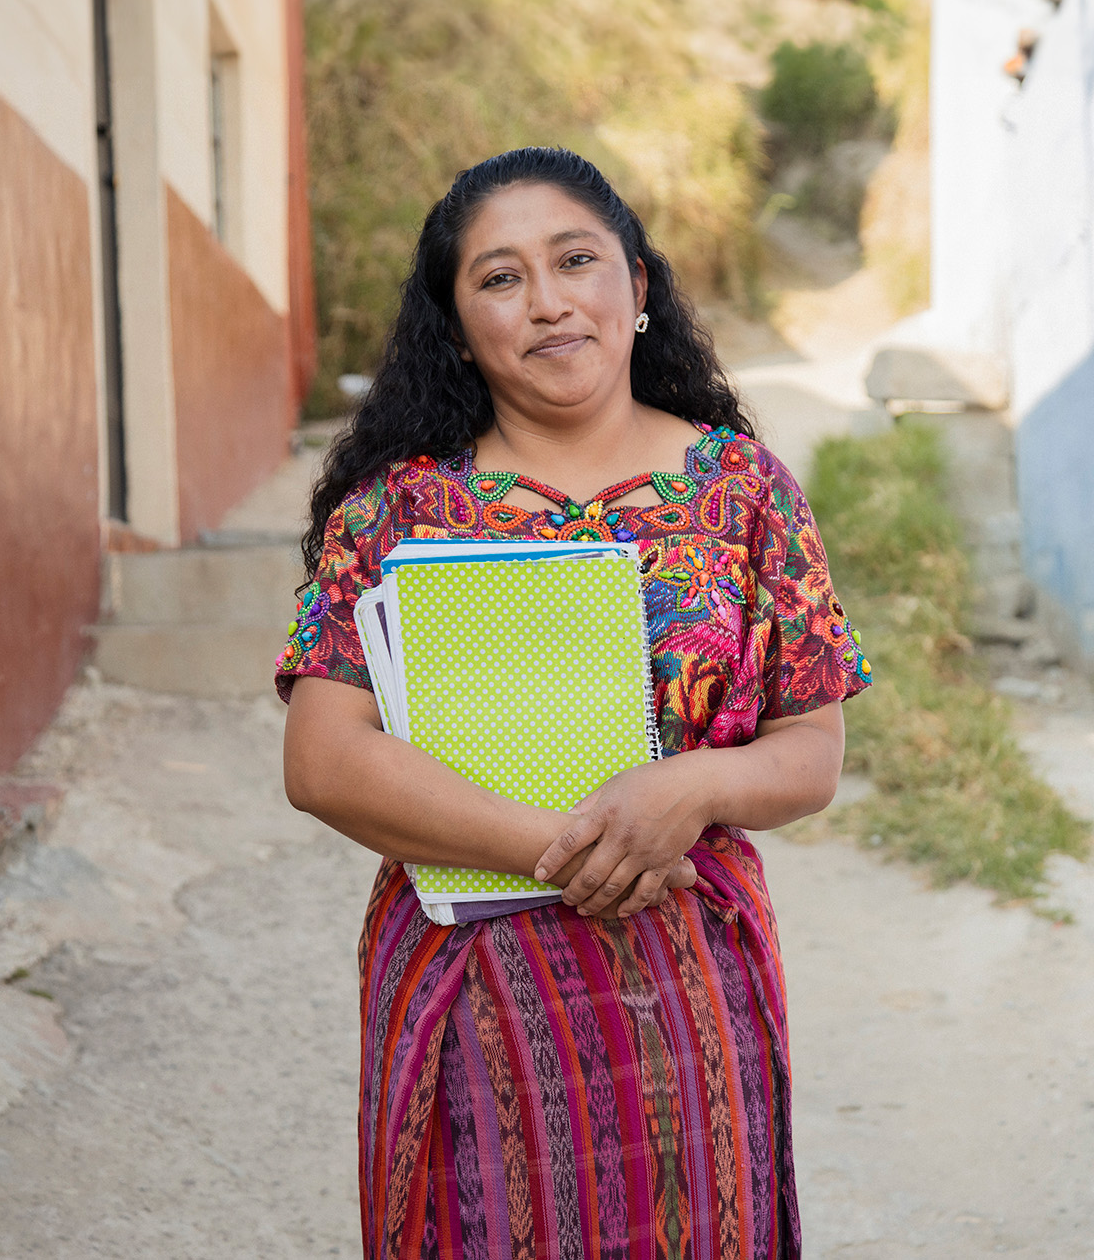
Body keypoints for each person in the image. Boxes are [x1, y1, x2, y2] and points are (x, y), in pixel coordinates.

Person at [277, 147, 871, 1260]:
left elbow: (810, 747)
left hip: (688, 977)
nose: (547, 301)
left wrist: (688, 786)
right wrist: (570, 846)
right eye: (499, 279)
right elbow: (323, 759)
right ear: (456, 328)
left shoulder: (743, 492)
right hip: (473, 979)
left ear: (637, 288)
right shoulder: (399, 508)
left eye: (576, 260)